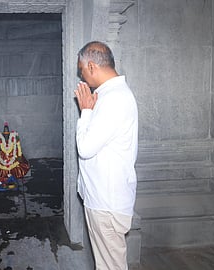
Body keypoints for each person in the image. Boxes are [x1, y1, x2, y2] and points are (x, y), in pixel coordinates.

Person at [74, 41, 138, 270]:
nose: (82, 77)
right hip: (103, 199)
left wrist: (86, 112)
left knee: (111, 266)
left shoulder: (114, 99)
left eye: (81, 70)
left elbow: (86, 148)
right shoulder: (110, 94)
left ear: (91, 66)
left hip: (106, 202)